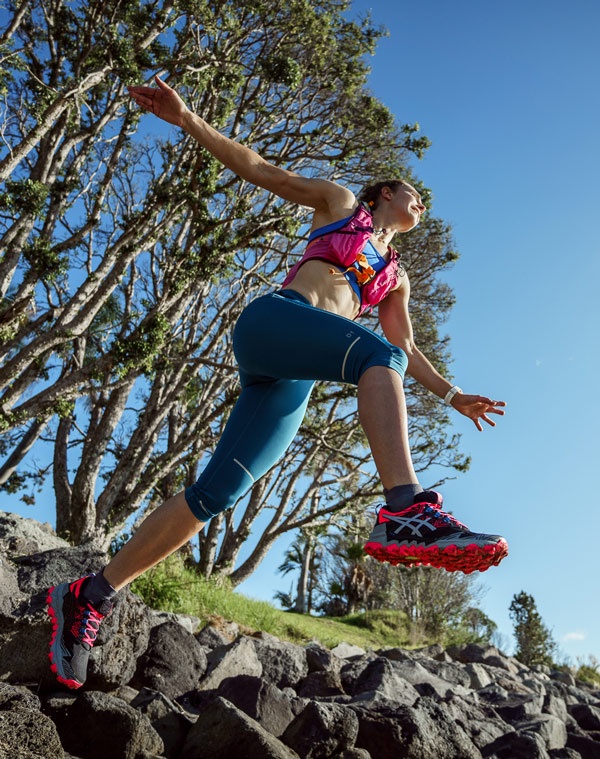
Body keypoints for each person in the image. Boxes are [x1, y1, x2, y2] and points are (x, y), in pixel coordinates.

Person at [46, 75, 508, 689]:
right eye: (414, 192)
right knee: (373, 357)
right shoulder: (343, 205)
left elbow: (403, 349)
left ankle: (89, 595)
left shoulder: (394, 277)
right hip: (275, 323)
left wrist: (452, 397)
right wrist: (187, 118)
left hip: (294, 376)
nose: (421, 203)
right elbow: (262, 169)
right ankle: (406, 508)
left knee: (215, 495)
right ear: (386, 192)